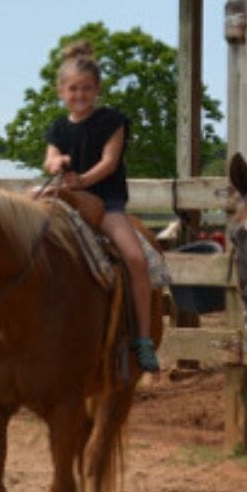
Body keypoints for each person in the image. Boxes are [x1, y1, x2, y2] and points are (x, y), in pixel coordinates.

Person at [43, 40, 159, 373]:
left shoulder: (112, 121)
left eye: (87, 89)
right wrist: (57, 164)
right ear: (61, 92)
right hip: (66, 198)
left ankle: (144, 338)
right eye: (74, 89)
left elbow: (110, 162)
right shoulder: (59, 128)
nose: (80, 95)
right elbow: (50, 158)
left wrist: (83, 179)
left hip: (105, 202)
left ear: (98, 90)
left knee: (136, 259)